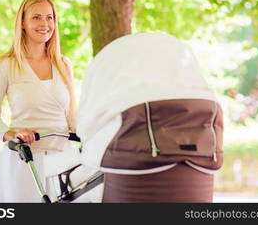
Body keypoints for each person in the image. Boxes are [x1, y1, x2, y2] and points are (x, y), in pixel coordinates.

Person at [76, 32, 224, 202]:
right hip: (198, 169)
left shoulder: (124, 108)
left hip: (132, 169)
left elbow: (89, 127)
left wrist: (85, 133)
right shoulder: (193, 100)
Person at [0, 0, 77, 202]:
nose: (45, 23)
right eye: (36, 17)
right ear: (23, 23)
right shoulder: (6, 66)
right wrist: (11, 134)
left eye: (49, 17)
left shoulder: (64, 65)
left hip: (62, 162)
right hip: (24, 161)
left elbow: (72, 117)